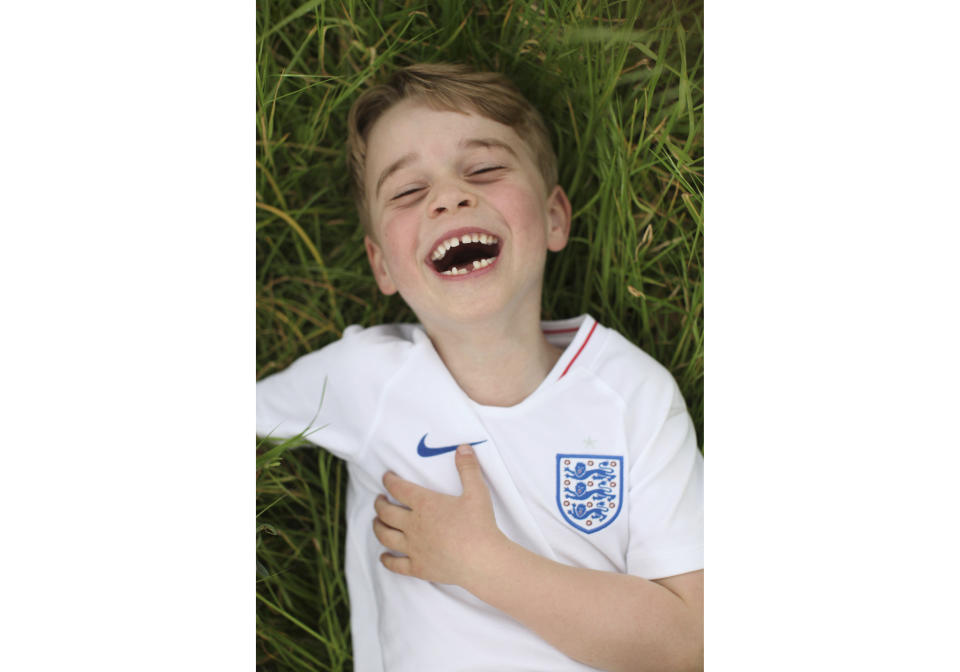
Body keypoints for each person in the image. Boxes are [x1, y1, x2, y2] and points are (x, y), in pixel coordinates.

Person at [257, 63, 703, 672]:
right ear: (382, 264)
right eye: (409, 192)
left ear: (553, 217)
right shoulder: (368, 379)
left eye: (484, 170)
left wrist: (483, 564)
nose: (448, 196)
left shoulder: (633, 396)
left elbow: (691, 642)